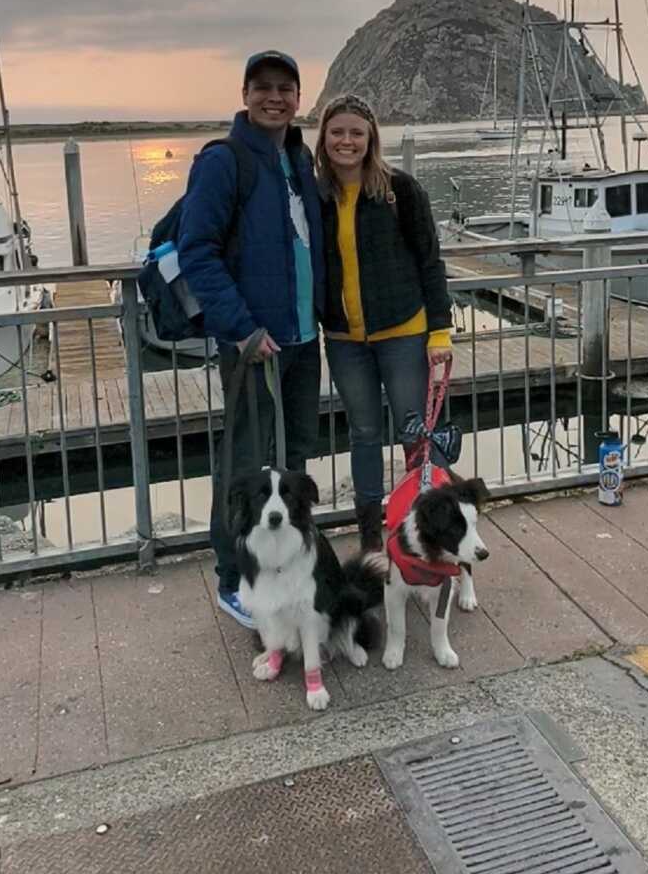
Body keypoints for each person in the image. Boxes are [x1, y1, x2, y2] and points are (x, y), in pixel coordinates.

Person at [178, 50, 324, 628]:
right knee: (245, 466)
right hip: (252, 345)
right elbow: (198, 252)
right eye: (263, 87)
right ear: (244, 94)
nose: (275, 97)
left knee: (292, 463)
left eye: (285, 88)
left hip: (300, 342)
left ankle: (283, 566)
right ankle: (232, 577)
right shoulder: (223, 162)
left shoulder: (296, 156)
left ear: (297, 97)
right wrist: (241, 328)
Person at [316, 94, 452, 552]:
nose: (346, 141)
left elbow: (430, 263)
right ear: (324, 138)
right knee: (364, 434)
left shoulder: (401, 190)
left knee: (415, 433)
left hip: (404, 332)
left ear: (371, 137)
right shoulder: (316, 196)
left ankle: (426, 526)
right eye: (337, 132)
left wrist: (440, 331)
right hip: (343, 338)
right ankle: (372, 536)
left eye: (356, 132)